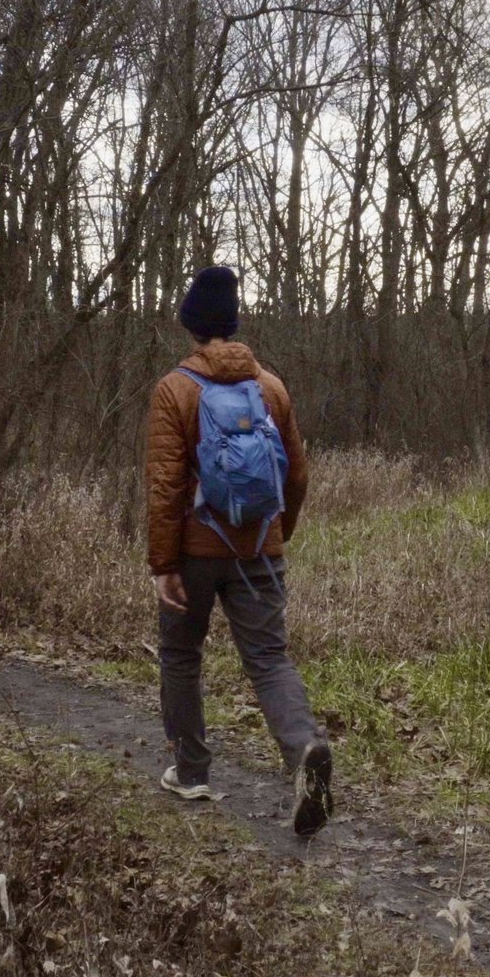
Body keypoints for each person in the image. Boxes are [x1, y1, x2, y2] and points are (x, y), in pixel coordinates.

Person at [143, 265, 333, 836]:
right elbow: (296, 475)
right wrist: (278, 534)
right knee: (270, 659)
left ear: (191, 327)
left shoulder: (175, 389)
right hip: (259, 549)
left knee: (181, 655)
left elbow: (165, 488)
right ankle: (303, 750)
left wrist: (163, 565)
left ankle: (191, 770)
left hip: (196, 551)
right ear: (233, 323)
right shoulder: (270, 388)